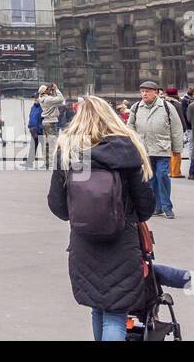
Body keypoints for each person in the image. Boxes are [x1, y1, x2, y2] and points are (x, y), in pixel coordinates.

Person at [46, 94, 156, 341]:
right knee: (116, 315)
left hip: (84, 242)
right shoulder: (126, 149)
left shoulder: (71, 151)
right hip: (122, 243)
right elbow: (145, 207)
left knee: (98, 307)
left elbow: (58, 206)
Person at [127, 80, 182, 219]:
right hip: (144, 149)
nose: (144, 94)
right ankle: (155, 206)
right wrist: (134, 142)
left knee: (162, 176)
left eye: (147, 91)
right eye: (142, 91)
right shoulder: (136, 107)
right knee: (150, 179)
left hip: (162, 148)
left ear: (156, 93)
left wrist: (177, 148)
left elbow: (176, 128)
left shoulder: (166, 106)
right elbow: (130, 126)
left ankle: (166, 206)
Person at [40, 84, 65, 162]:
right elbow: (61, 99)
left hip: (45, 122)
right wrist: (56, 90)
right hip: (51, 122)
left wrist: (52, 91)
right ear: (45, 92)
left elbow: (54, 100)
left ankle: (46, 161)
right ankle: (51, 162)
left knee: (46, 142)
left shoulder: (42, 98)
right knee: (53, 142)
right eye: (47, 89)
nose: (49, 90)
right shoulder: (48, 99)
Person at [27, 97, 43, 169]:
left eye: (37, 98)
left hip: (40, 131)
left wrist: (39, 128)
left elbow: (42, 119)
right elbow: (31, 117)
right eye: (35, 99)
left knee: (44, 147)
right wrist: (30, 126)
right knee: (33, 147)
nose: (36, 100)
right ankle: (29, 162)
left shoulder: (42, 107)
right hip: (33, 130)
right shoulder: (32, 108)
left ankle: (47, 163)